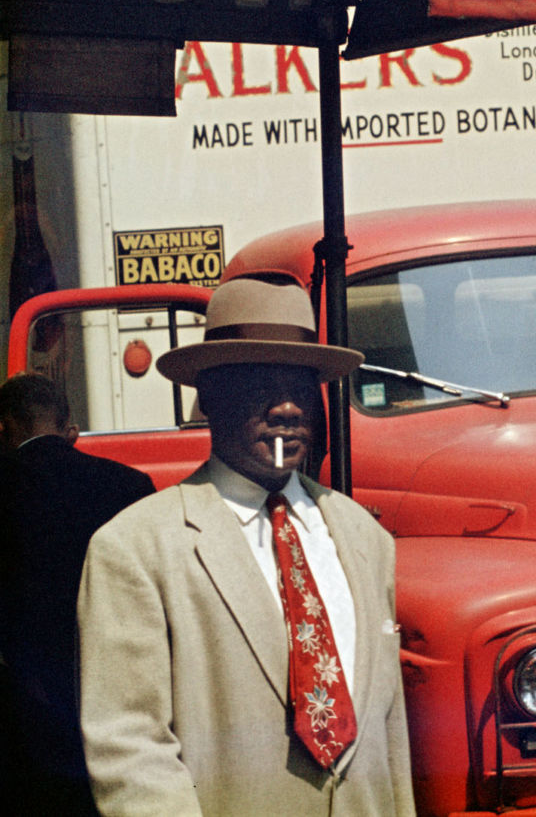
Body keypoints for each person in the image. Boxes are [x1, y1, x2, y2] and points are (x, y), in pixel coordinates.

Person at [77, 278, 416, 817]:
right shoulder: (135, 550)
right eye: (259, 381)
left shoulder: (363, 538)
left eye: (301, 384)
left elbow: (390, 734)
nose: (286, 407)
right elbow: (131, 752)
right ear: (208, 395)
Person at [0, 371, 155, 816]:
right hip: (115, 695)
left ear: (5, 426)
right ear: (68, 425)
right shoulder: (130, 485)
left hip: (24, 704)